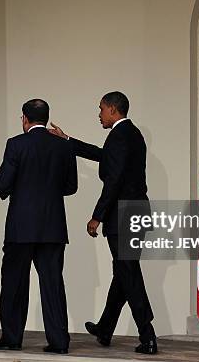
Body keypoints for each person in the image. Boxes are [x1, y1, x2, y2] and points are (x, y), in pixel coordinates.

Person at [49, 91, 158, 354]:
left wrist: (97, 216)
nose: (98, 115)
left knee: (128, 274)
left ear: (112, 109)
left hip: (123, 215)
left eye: (100, 109)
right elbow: (103, 156)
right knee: (124, 272)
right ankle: (106, 328)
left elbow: (114, 180)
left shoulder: (120, 136)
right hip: (136, 211)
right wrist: (67, 141)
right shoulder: (130, 134)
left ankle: (148, 336)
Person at [0, 99, 78, 355]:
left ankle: (12, 337)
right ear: (46, 118)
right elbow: (71, 187)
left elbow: (2, 185)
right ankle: (59, 341)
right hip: (52, 227)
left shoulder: (16, 144)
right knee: (52, 284)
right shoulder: (63, 146)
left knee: (15, 283)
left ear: (25, 119)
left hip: (21, 226)